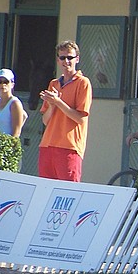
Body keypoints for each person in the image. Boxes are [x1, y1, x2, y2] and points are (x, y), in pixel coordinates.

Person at [38, 40, 93, 182]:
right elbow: (45, 121)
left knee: (68, 194)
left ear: (77, 59)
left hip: (69, 147)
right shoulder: (54, 84)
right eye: (62, 58)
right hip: (48, 145)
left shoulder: (83, 83)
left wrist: (58, 102)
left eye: (70, 57)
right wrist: (52, 105)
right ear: (58, 60)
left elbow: (81, 118)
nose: (66, 61)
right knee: (46, 192)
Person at [0, 68, 28, 138]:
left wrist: (7, 147)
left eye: (6, 82)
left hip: (8, 147)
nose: (2, 84)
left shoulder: (15, 103)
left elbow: (16, 133)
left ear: (12, 84)